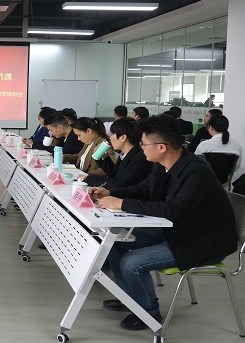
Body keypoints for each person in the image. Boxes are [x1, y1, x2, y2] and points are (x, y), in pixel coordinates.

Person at [90, 114, 238, 331]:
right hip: (176, 230)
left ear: (161, 147)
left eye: (144, 144)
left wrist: (121, 203)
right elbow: (143, 189)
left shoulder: (197, 171)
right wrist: (111, 192)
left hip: (203, 240)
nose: (141, 148)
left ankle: (148, 313)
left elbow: (173, 210)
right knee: (113, 242)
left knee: (132, 263)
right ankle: (131, 297)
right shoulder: (162, 164)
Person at [83, 117, 152, 188]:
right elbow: (114, 175)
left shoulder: (140, 159)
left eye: (113, 134)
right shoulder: (125, 154)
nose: (110, 138)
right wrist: (104, 158)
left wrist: (87, 179)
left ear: (123, 137)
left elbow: (118, 184)